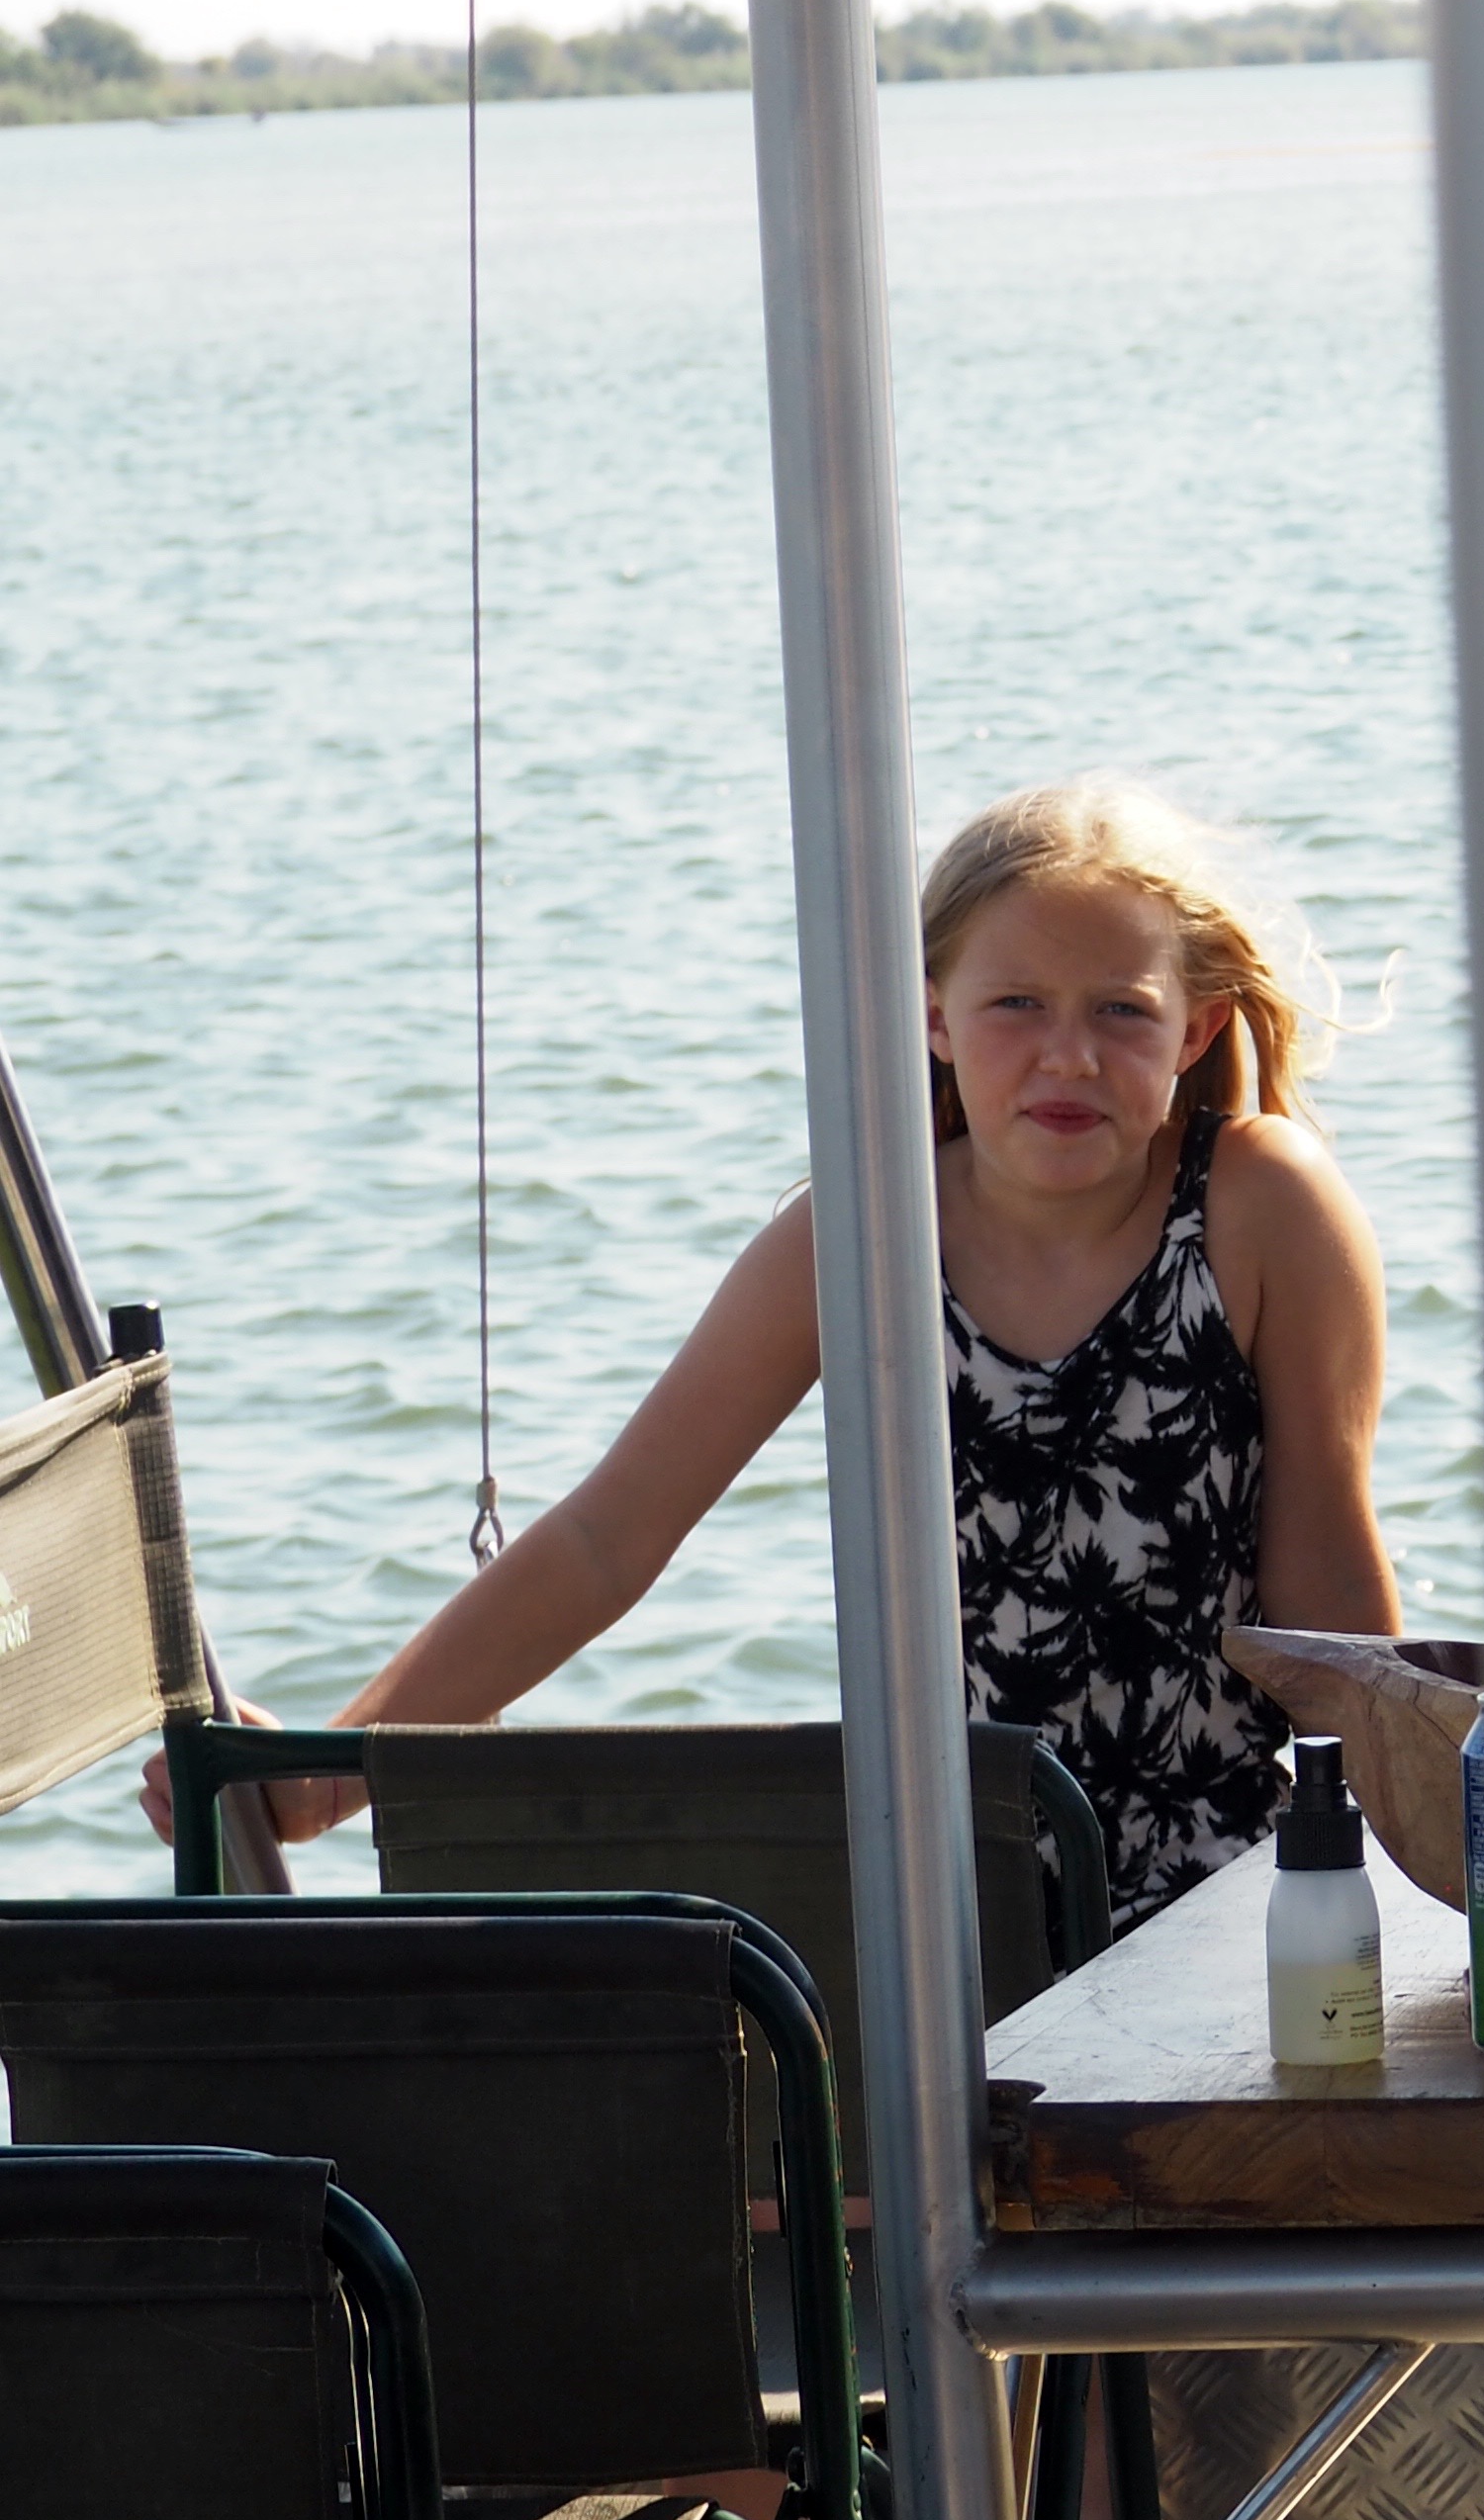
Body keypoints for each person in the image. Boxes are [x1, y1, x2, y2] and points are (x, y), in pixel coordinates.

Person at [152, 780, 1403, 1917]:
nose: (1067, 1054)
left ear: (1194, 1031)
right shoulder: (861, 1233)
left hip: (1230, 1887)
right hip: (937, 1896)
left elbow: (1330, 1594)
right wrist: (333, 1770)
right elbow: (603, 1541)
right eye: (1015, 1004)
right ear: (934, 1019)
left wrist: (1416, 1891)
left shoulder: (1260, 1207)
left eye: (1120, 1013)